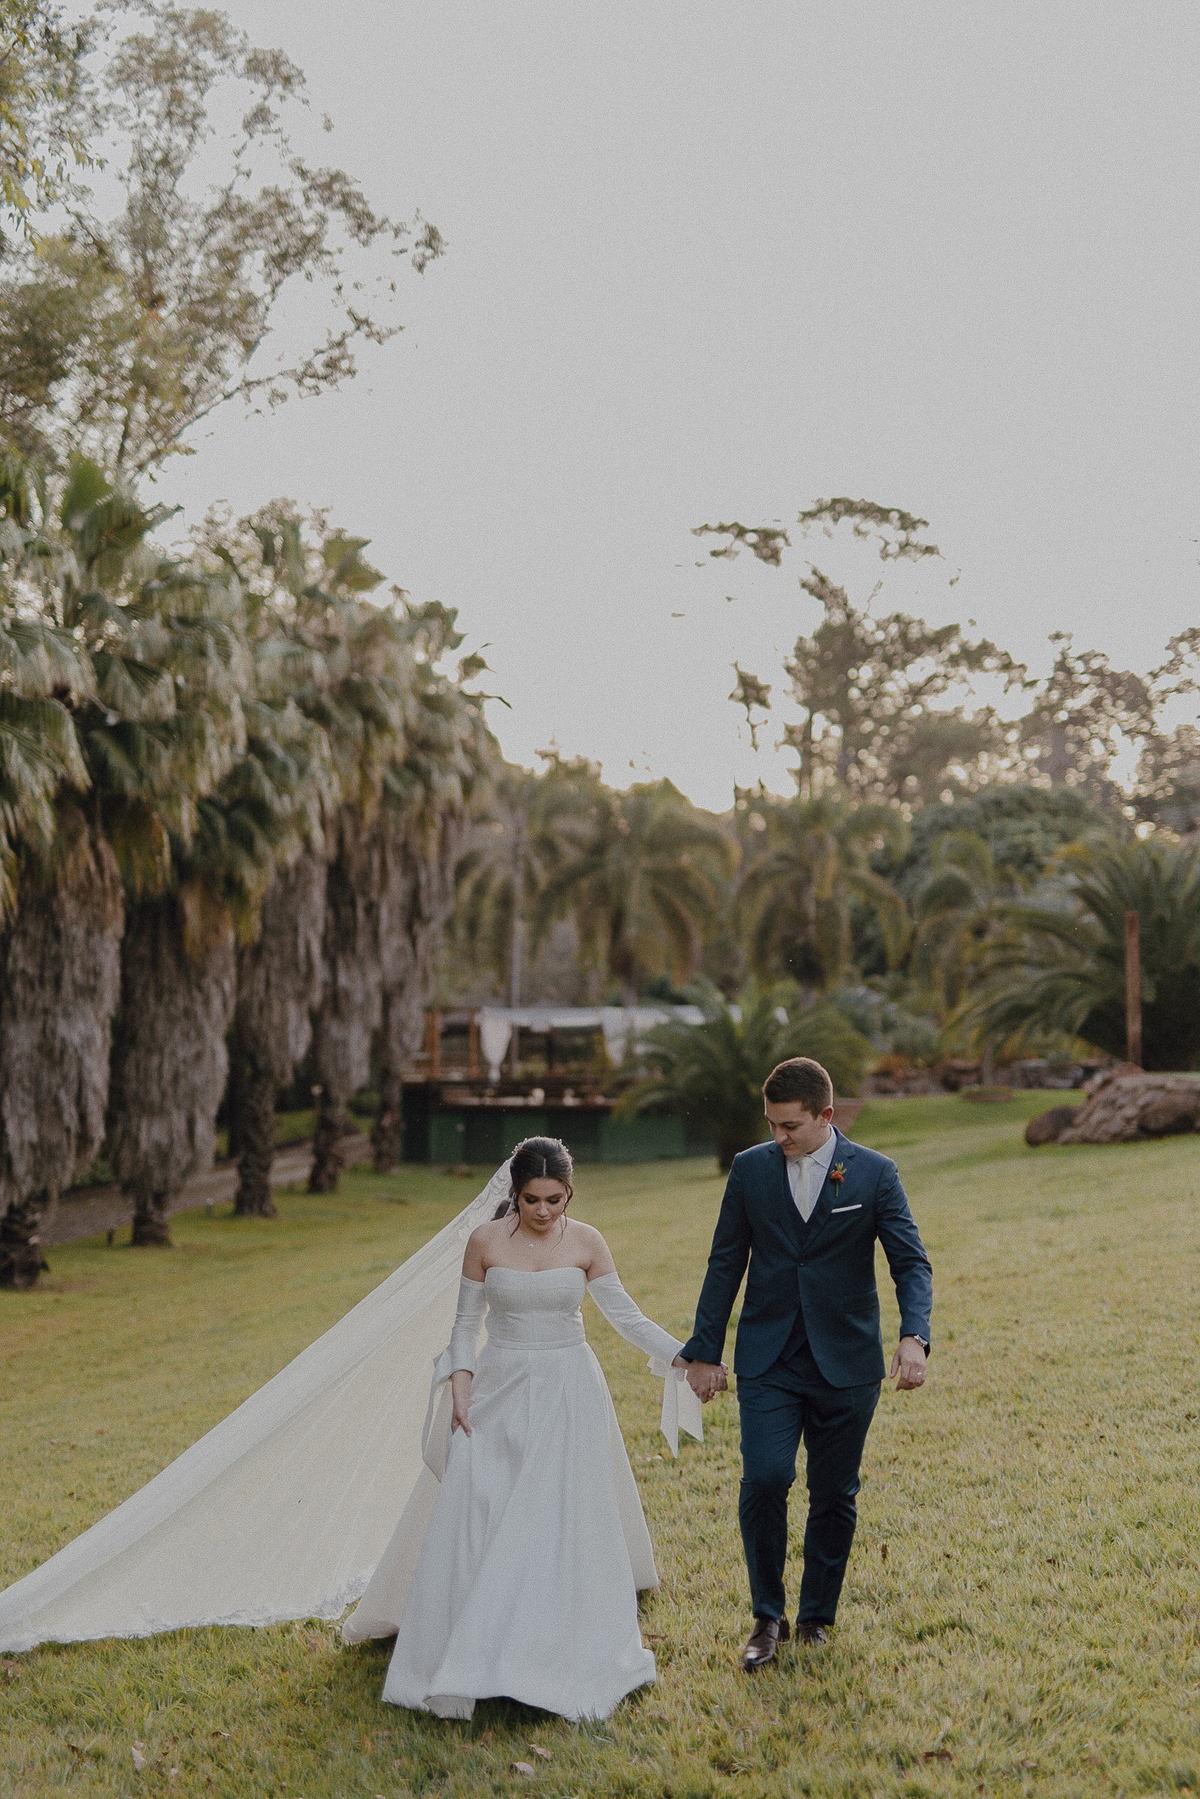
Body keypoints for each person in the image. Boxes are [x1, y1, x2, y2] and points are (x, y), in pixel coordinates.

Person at [362, 1136, 709, 1721]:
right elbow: (465, 1321)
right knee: (483, 1502)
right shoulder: (485, 1242)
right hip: (497, 1384)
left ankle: (542, 1643)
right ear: (513, 1194)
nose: (543, 1211)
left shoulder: (588, 1241)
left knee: (554, 1511)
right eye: (531, 1199)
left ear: (569, 1192)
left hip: (567, 1388)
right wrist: (461, 1384)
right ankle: (470, 1638)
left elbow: (624, 1315)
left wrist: (687, 1356)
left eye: (554, 1199)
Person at [678, 1057, 933, 1670]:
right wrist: (705, 1351)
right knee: (765, 1478)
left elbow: (911, 1263)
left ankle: (817, 1617)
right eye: (770, 1124)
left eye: (789, 1126)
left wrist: (914, 1337)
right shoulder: (749, 1171)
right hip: (768, 1358)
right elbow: (724, 1262)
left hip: (846, 1362)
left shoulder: (874, 1174)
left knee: (834, 1493)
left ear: (826, 1115)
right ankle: (767, 1616)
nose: (778, 1138)